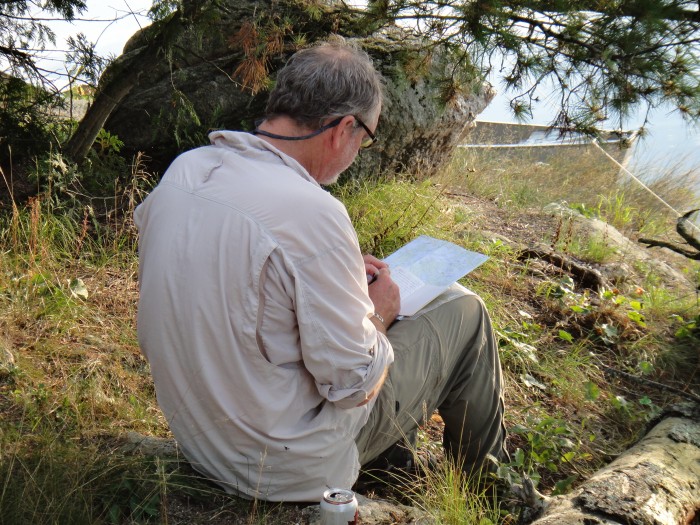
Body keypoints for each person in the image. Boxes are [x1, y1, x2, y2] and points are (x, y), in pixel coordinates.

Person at [134, 36, 506, 503]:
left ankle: (396, 467)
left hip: (202, 440)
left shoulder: (187, 171)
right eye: (365, 139)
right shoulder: (314, 212)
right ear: (343, 128)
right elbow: (355, 384)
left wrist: (339, 272)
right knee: (465, 311)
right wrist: (379, 314)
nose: (357, 152)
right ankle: (489, 488)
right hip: (280, 466)